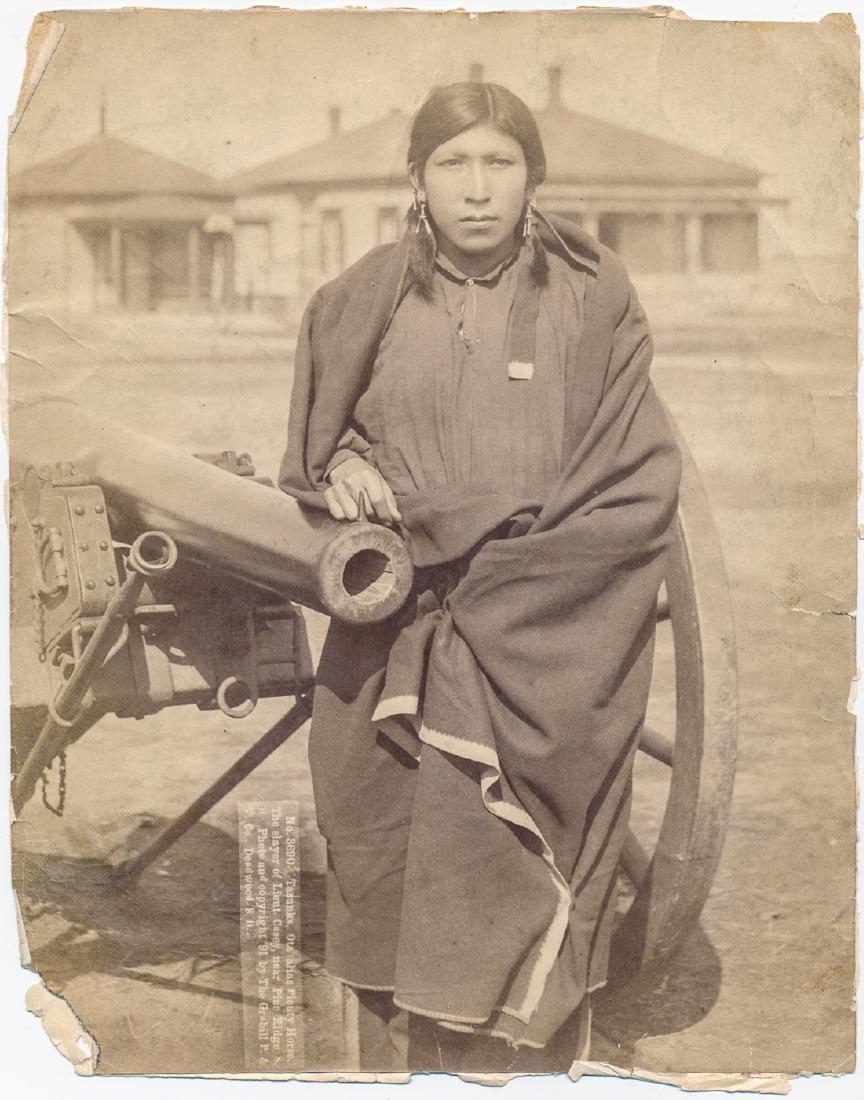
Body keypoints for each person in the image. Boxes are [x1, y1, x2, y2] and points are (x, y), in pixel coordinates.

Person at [279, 80, 682, 1072]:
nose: (476, 189)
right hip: (393, 620)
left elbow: (633, 473)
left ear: (533, 176)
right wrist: (344, 465)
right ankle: (391, 1062)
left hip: (545, 621)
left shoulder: (594, 300)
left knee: (507, 860)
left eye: (499, 162)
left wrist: (510, 582)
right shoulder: (360, 297)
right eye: (452, 163)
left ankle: (517, 1061)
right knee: (380, 834)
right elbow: (317, 441)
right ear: (416, 177)